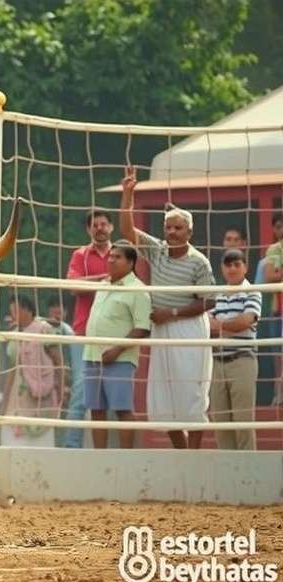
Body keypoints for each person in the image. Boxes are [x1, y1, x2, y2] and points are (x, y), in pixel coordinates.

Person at [120, 166, 215, 449]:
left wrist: (172, 313)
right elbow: (128, 230)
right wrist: (128, 195)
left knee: (192, 393)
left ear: (190, 231)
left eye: (178, 228)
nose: (172, 232)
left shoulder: (200, 261)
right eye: (169, 227)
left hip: (188, 329)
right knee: (163, 397)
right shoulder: (157, 249)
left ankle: (193, 458)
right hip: (162, 330)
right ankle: (181, 453)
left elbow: (208, 300)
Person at [83, 241, 151, 449]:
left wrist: (117, 349)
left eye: (117, 257)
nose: (111, 260)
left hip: (119, 359)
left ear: (131, 263)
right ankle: (99, 458)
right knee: (96, 410)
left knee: (123, 410)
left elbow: (143, 327)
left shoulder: (138, 290)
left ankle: (128, 458)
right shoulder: (104, 284)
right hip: (92, 355)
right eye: (110, 256)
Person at [64, 210, 113, 447]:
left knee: (115, 394)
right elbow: (73, 287)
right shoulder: (80, 255)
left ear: (111, 228)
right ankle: (72, 448)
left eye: (104, 224)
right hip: (83, 332)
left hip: (116, 335)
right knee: (81, 393)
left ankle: (111, 451)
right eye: (95, 225)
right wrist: (105, 279)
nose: (100, 228)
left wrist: (91, 282)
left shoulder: (121, 254)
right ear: (88, 229)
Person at [208, 249, 261, 450]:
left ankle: (248, 475)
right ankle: (227, 473)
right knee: (220, 423)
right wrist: (228, 324)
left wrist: (219, 324)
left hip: (242, 360)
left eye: (237, 264)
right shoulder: (217, 293)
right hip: (217, 362)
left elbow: (246, 321)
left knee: (243, 421)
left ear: (245, 267)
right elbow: (207, 324)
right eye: (228, 265)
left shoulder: (253, 290)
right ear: (222, 268)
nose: (232, 269)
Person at [0, 295, 64, 447]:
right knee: (13, 432)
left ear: (27, 310)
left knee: (41, 435)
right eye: (12, 312)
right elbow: (11, 369)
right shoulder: (14, 333)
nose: (14, 315)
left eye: (16, 311)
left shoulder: (43, 329)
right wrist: (5, 399)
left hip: (41, 394)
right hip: (16, 396)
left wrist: (61, 390)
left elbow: (58, 362)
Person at [44, 298, 81, 448]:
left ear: (65, 312)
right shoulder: (42, 328)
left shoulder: (68, 332)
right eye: (54, 308)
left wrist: (66, 382)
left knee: (67, 413)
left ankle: (65, 444)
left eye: (60, 309)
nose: (57, 313)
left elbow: (72, 360)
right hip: (48, 381)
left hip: (68, 380)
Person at [261, 213, 283, 404]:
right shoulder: (274, 250)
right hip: (279, 309)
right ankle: (279, 393)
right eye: (278, 226)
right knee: (278, 353)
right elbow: (270, 276)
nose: (281, 230)